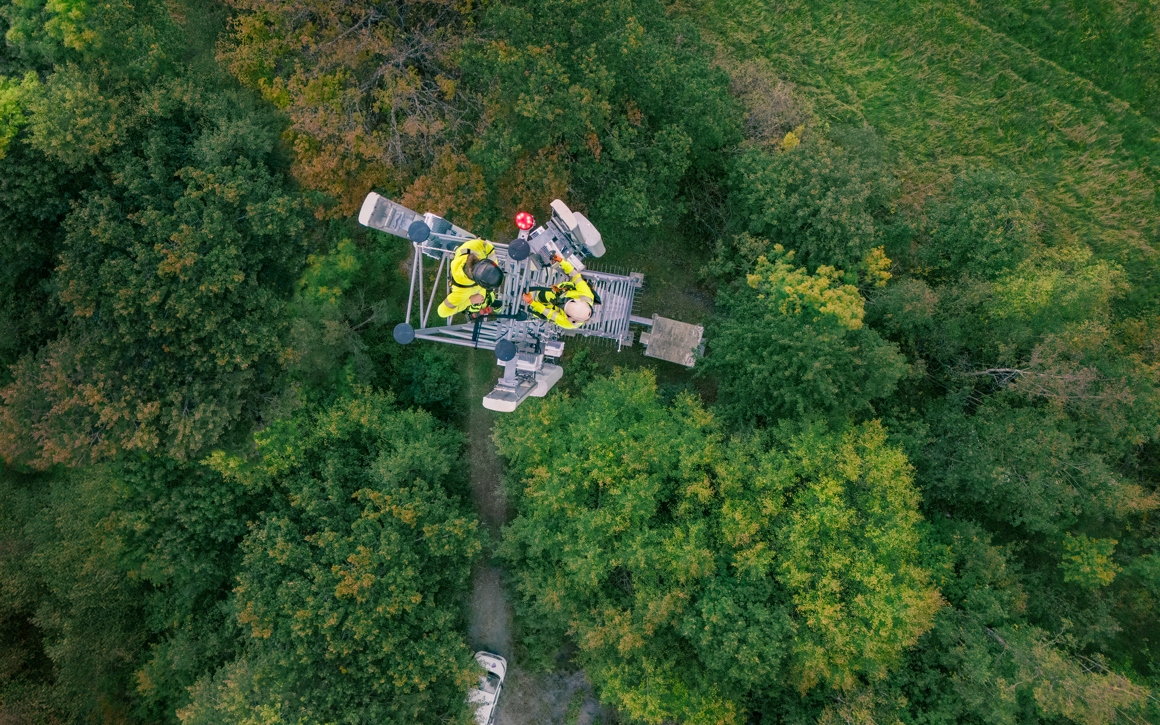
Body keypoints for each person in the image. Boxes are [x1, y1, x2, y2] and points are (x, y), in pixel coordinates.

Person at [521, 255, 595, 329]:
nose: (565, 303)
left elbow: (550, 313)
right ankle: (532, 295)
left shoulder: (570, 324)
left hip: (551, 308)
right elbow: (575, 275)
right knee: (543, 294)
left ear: (570, 317)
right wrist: (561, 261)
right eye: (568, 301)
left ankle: (524, 303)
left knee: (532, 307)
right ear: (579, 301)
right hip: (556, 294)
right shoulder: (586, 294)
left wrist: (531, 302)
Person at [437, 239, 504, 319]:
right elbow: (442, 312)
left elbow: (487, 246)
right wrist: (470, 301)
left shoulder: (472, 248)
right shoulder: (461, 292)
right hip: (483, 299)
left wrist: (494, 265)